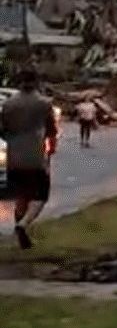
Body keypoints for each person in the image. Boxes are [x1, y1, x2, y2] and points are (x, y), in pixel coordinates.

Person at [0, 69, 58, 249]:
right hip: (35, 155)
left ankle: (22, 241)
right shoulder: (44, 103)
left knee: (21, 195)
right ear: (36, 82)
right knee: (40, 195)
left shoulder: (9, 104)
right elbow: (51, 130)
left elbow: (2, 129)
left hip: (14, 156)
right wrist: (51, 148)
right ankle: (23, 224)